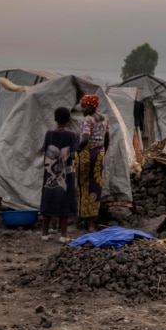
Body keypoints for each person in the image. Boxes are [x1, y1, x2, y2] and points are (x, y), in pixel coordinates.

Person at [40, 107, 78, 243]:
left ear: (55, 119)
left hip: (49, 171)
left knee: (48, 197)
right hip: (65, 173)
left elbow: (45, 149)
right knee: (65, 200)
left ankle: (44, 232)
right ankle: (64, 234)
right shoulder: (71, 135)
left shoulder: (48, 134)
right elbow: (73, 155)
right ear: (68, 120)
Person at [76, 94, 109, 233]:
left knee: (83, 185)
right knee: (96, 185)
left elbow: (84, 139)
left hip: (86, 154)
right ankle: (92, 222)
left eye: (84, 106)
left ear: (91, 106)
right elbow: (107, 139)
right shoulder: (105, 118)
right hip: (99, 154)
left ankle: (84, 220)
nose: (82, 109)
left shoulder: (88, 120)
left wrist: (75, 149)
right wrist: (102, 152)